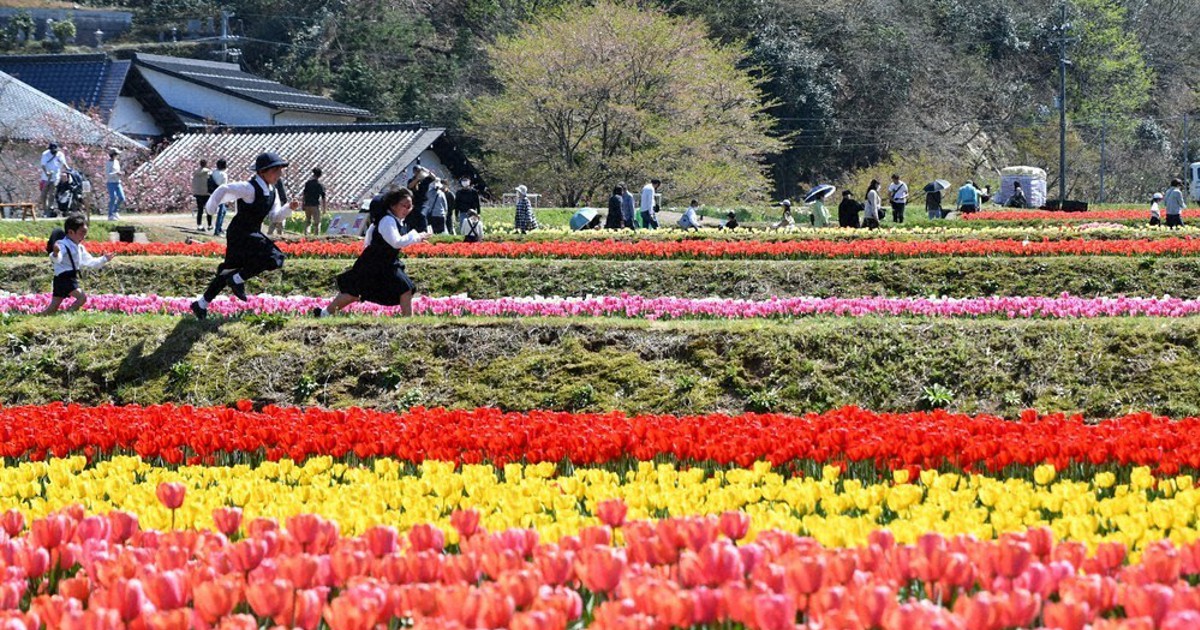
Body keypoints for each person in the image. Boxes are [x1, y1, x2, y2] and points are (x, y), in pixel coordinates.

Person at [190, 152, 300, 320]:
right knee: (275, 257)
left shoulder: (273, 191)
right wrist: (210, 209)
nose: (280, 174)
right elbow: (224, 189)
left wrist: (288, 208)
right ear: (263, 172)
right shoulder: (250, 188)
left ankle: (201, 304)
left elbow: (275, 216)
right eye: (276, 170)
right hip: (241, 233)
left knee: (229, 270)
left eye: (280, 170)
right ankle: (237, 279)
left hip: (251, 232)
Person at [312, 187, 429, 318]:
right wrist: (416, 236)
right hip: (377, 262)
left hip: (383, 262)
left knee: (403, 289)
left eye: (410, 206)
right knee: (354, 292)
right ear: (393, 205)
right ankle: (324, 313)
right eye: (404, 206)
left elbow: (371, 240)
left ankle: (324, 313)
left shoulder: (392, 219)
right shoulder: (387, 220)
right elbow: (395, 242)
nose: (407, 210)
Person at [43, 214, 114, 315]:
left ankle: (41, 316)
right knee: (82, 298)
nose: (84, 236)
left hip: (65, 278)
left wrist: (104, 259)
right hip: (65, 277)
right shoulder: (63, 244)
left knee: (53, 307)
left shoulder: (79, 247)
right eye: (82, 233)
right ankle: (67, 315)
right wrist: (55, 253)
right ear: (71, 232)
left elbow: (90, 261)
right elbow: (57, 259)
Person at [39, 143, 69, 216]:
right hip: (45, 178)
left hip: (55, 177)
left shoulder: (60, 154)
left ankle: (50, 208)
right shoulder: (45, 154)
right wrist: (46, 172)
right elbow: (43, 165)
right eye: (52, 150)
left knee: (52, 194)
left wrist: (68, 169)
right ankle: (45, 209)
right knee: (43, 194)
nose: (54, 151)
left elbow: (64, 163)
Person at [301, 167, 327, 236]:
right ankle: (316, 236)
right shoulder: (320, 185)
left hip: (307, 205)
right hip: (315, 205)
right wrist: (324, 208)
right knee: (317, 222)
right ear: (320, 175)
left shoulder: (308, 183)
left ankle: (306, 234)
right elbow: (323, 197)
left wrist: (303, 204)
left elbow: (304, 194)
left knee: (308, 221)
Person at [192, 159, 214, 231]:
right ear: (206, 164)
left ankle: (199, 225)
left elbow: (194, 182)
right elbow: (211, 182)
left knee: (200, 210)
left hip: (198, 193)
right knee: (208, 209)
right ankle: (209, 225)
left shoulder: (196, 172)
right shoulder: (208, 172)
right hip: (206, 193)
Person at [211, 159, 229, 236]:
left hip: (213, 192)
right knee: (221, 212)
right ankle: (217, 230)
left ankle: (220, 228)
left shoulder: (213, 172)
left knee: (223, 211)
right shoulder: (224, 175)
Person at [105, 149, 125, 221]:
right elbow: (107, 174)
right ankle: (110, 215)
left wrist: (120, 173)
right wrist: (115, 173)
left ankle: (115, 211)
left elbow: (117, 171)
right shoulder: (108, 163)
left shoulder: (117, 162)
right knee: (113, 198)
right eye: (116, 154)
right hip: (110, 183)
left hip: (117, 182)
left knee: (122, 197)